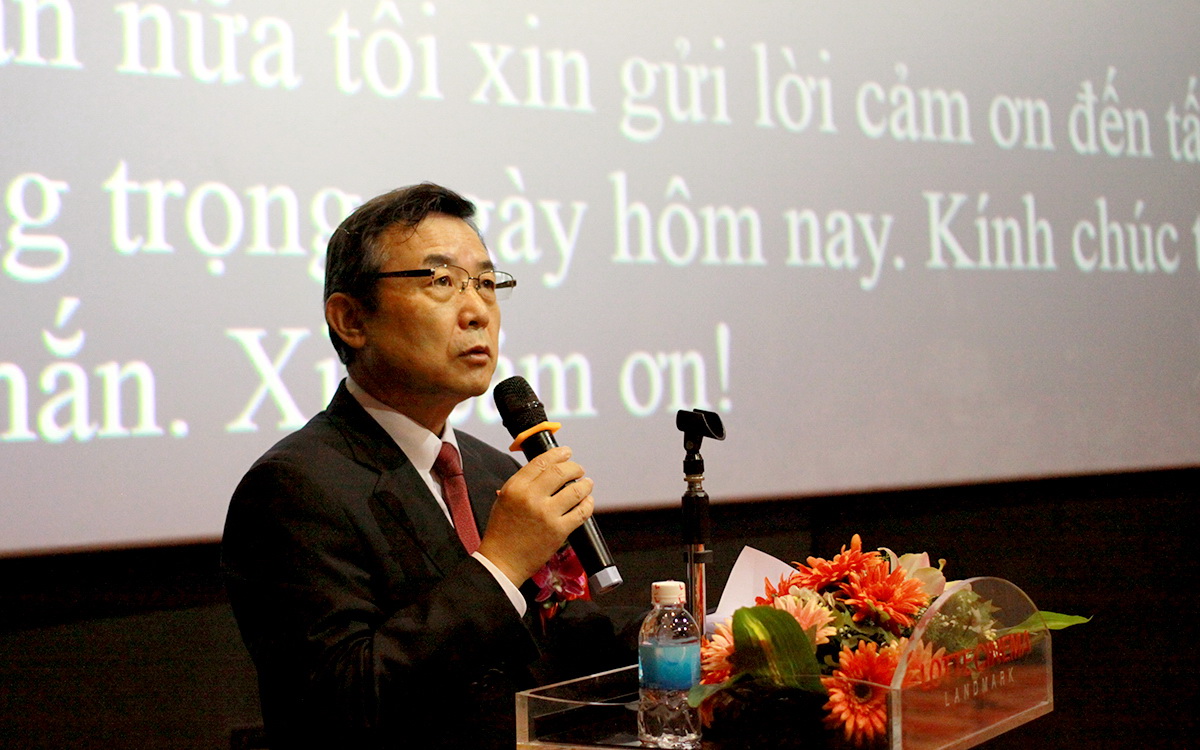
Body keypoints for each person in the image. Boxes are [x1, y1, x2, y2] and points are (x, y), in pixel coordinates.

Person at [222, 183, 635, 749]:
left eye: (486, 284)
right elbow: (340, 702)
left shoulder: (493, 473)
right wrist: (501, 565)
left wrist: (691, 637)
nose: (477, 312)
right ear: (350, 318)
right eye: (441, 281)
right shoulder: (292, 488)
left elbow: (551, 648)